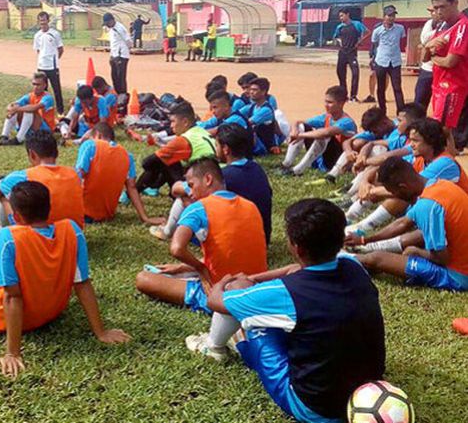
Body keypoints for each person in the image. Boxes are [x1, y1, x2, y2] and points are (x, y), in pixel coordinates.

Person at [201, 198, 385, 423]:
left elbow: (215, 301)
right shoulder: (354, 267)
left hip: (314, 409)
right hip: (365, 395)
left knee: (243, 304)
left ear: (296, 247)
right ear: (339, 239)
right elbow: (296, 269)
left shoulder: (288, 293)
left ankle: (215, 346)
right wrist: (254, 278)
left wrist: (228, 282)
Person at [0, 181, 130, 378]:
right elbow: (83, 284)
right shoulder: (72, 230)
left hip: (1, 317)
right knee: (5, 269)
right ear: (49, 209)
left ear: (16, 215)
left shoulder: (8, 237)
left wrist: (12, 353)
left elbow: (12, 297)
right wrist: (101, 332)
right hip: (51, 311)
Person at [136, 158, 267, 314]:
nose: (190, 193)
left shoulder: (199, 208)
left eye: (191, 185)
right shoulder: (250, 206)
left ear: (208, 179)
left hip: (223, 294)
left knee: (143, 278)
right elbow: (229, 254)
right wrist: (182, 267)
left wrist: (201, 269)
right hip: (256, 288)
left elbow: (177, 248)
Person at [348, 157, 468, 292]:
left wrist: (418, 252)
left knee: (377, 258)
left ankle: (341, 258)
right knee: (412, 243)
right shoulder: (441, 185)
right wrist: (364, 240)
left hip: (458, 276)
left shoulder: (426, 206)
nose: (395, 196)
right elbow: (402, 223)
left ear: (403, 187)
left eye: (393, 192)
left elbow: (441, 258)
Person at [346, 118, 468, 237]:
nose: (412, 145)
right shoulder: (421, 157)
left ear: (430, 141)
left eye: (415, 141)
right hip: (429, 207)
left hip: (450, 216)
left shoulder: (444, 163)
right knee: (387, 177)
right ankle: (350, 215)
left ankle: (363, 227)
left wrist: (371, 190)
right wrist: (365, 181)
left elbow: (414, 189)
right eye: (410, 140)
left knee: (402, 193)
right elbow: (385, 167)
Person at [0, 130, 84, 228]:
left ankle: (5, 228)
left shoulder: (23, 176)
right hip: (73, 232)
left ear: (32, 154)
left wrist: (3, 185)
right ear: (57, 153)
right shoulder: (75, 174)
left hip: (38, 234)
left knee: (3, 193)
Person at [76, 123, 163, 225]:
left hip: (82, 213)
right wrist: (145, 218)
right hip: (107, 215)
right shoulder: (127, 156)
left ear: (98, 136)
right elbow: (132, 188)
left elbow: (78, 175)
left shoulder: (90, 145)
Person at [423, 0, 468, 151]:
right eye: (436, 8)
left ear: (455, 3)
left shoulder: (463, 27)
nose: (439, 11)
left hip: (452, 87)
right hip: (438, 84)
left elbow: (450, 62)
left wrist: (432, 54)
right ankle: (451, 168)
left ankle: (447, 168)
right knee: (444, 131)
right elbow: (424, 57)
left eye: (443, 7)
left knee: (442, 131)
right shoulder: (442, 26)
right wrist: (428, 48)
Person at [136, 100, 216, 193]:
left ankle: (134, 191)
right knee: (169, 160)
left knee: (166, 162)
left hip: (204, 185)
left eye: (173, 121)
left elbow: (146, 163)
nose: (171, 126)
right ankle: (148, 188)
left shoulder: (184, 139)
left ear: (185, 122)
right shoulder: (201, 131)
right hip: (216, 179)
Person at [281, 86, 357, 176]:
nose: (326, 105)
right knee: (302, 126)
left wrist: (301, 135)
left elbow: (326, 132)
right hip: (323, 157)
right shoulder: (327, 117)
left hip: (337, 159)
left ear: (341, 103)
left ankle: (297, 170)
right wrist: (295, 131)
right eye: (325, 101)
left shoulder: (347, 121)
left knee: (323, 135)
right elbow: (297, 121)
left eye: (330, 102)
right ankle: (286, 164)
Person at [318, 107, 396, 184]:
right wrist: (349, 152)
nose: (374, 133)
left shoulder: (399, 129)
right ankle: (332, 175)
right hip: (374, 163)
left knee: (379, 149)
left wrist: (364, 156)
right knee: (357, 143)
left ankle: (354, 185)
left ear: (384, 123)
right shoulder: (378, 130)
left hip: (391, 164)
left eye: (375, 131)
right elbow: (347, 142)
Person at [0, 72, 55, 146]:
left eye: (38, 84)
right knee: (15, 111)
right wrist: (12, 109)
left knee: (29, 111)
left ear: (45, 85)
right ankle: (4, 136)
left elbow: (34, 108)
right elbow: (11, 105)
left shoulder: (48, 98)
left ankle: (18, 139)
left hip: (45, 131)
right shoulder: (30, 96)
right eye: (34, 84)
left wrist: (16, 109)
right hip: (33, 128)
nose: (35, 87)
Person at [371, 6, 406, 114]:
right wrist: (373, 59)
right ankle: (382, 111)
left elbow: (402, 40)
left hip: (395, 62)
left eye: (393, 16)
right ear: (384, 17)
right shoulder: (377, 31)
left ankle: (401, 112)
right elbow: (375, 44)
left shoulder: (400, 28)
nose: (391, 18)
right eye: (389, 15)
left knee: (397, 88)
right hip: (381, 61)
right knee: (381, 88)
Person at [333, 8, 369, 102]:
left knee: (355, 73)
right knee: (341, 74)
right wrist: (339, 42)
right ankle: (343, 95)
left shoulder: (356, 24)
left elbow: (367, 32)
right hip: (342, 53)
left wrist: (360, 41)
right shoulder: (339, 27)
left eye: (342, 15)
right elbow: (336, 37)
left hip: (352, 52)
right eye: (340, 16)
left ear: (347, 14)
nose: (341, 18)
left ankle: (353, 96)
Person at [33, 11, 65, 115]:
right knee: (42, 90)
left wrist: (54, 59)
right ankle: (44, 111)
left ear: (48, 20)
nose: (42, 22)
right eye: (40, 20)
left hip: (53, 67)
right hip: (41, 66)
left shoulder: (55, 33)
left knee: (56, 89)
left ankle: (60, 111)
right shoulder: (37, 35)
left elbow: (60, 49)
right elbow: (38, 50)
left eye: (44, 20)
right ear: (38, 21)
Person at [241, 77, 279, 153]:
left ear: (263, 92)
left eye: (255, 90)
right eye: (250, 89)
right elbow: (235, 115)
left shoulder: (266, 110)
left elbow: (248, 123)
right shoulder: (252, 107)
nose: (251, 92)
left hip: (263, 146)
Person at [414, 8, 440, 109]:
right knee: (420, 100)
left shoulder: (452, 26)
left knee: (440, 104)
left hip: (442, 70)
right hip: (427, 69)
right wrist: (437, 32)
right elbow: (424, 39)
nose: (434, 13)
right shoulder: (430, 23)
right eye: (433, 11)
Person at [103, 13, 130, 94]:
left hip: (121, 56)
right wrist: (112, 55)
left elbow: (128, 40)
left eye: (107, 23)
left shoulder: (119, 28)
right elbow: (113, 43)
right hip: (114, 56)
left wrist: (123, 51)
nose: (107, 25)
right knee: (114, 77)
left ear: (111, 20)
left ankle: (123, 95)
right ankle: (117, 94)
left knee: (120, 78)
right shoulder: (112, 29)